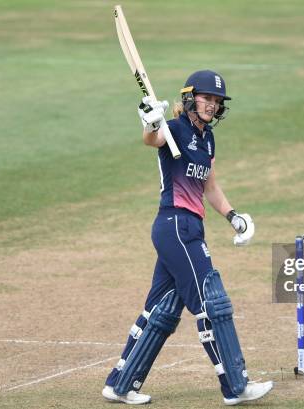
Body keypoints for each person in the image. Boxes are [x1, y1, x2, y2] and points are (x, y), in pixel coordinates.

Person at [102, 70, 273, 405]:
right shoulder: (175, 128)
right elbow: (153, 140)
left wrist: (233, 215)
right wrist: (151, 122)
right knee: (212, 302)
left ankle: (120, 385)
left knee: (162, 309)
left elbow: (209, 184)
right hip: (175, 225)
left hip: (189, 228)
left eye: (217, 101)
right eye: (206, 98)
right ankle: (236, 385)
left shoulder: (207, 138)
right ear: (190, 97)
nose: (212, 105)